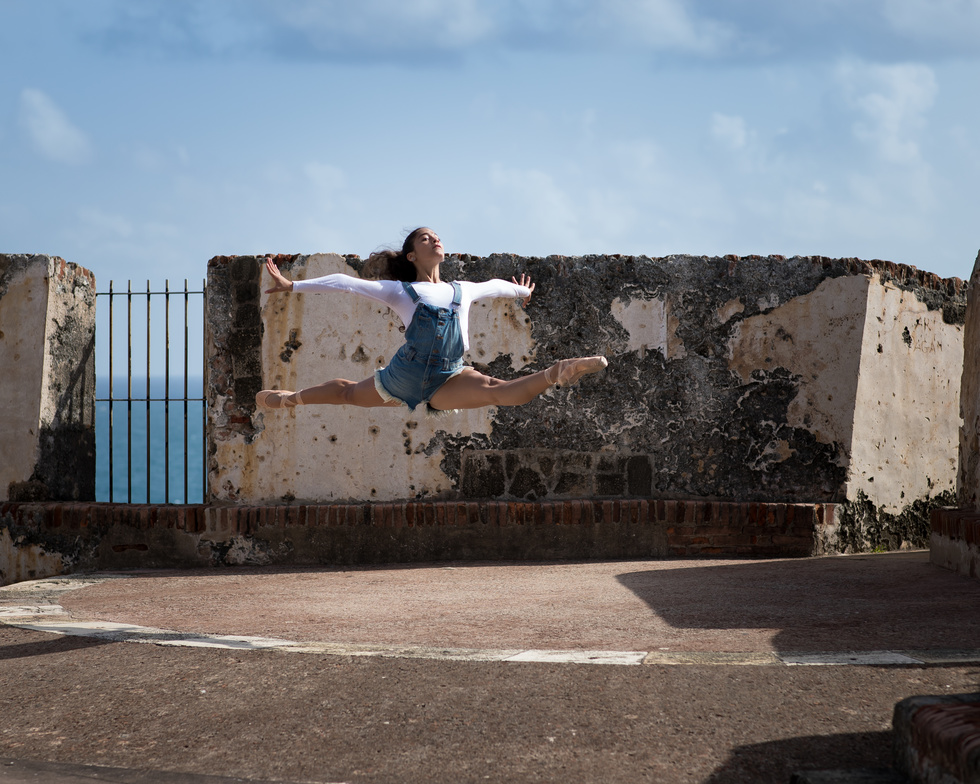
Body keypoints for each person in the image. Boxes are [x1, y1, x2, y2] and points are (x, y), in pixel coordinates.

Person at [255, 227, 607, 416]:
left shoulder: (461, 289)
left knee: (498, 393)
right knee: (347, 392)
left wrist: (520, 293)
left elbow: (493, 286)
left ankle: (558, 371)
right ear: (412, 255)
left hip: (448, 376)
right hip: (404, 376)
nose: (435, 239)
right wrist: (292, 285)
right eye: (426, 238)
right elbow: (346, 284)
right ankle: (290, 399)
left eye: (437, 236)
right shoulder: (399, 291)